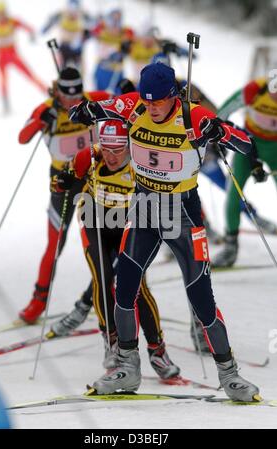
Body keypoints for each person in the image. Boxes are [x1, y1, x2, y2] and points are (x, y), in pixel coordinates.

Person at [69, 62, 260, 402]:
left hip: (183, 213)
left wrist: (219, 132)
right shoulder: (133, 105)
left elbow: (246, 144)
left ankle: (230, 375)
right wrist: (84, 111)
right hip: (143, 207)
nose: (152, 107)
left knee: (202, 298)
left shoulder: (194, 115)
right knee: (123, 287)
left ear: (173, 96)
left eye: (159, 101)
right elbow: (96, 108)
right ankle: (127, 366)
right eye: (148, 100)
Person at [50, 120, 180, 378]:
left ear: (129, 147)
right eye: (106, 149)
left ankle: (157, 350)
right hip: (94, 222)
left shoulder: (141, 163)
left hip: (129, 226)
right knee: (102, 278)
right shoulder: (90, 156)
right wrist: (63, 182)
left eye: (117, 150)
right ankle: (112, 343)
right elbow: (60, 182)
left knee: (136, 287)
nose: (110, 156)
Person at [18, 66, 110, 324]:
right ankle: (38, 302)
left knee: (104, 241)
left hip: (94, 179)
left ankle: (107, 295)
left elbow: (123, 101)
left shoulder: (92, 99)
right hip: (63, 182)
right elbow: (22, 137)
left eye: (76, 96)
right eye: (67, 97)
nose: (73, 102)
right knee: (55, 243)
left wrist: (127, 90)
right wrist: (40, 121)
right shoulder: (48, 108)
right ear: (57, 91)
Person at [212, 76, 277, 267]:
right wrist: (216, 132)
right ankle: (230, 247)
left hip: (275, 148)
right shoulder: (254, 90)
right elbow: (224, 110)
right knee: (234, 195)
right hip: (249, 145)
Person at [0, 1, 47, 113]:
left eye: (2, 12)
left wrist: (32, 35)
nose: (1, 15)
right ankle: (5, 104)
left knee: (29, 74)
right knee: (3, 79)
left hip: (13, 54)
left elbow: (28, 27)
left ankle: (47, 91)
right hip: (0, 55)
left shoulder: (12, 21)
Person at [41, 0, 89, 71]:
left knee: (79, 70)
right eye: (71, 8)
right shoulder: (61, 14)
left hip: (77, 48)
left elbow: (93, 25)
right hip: (64, 46)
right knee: (62, 70)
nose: (73, 12)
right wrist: (43, 30)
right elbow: (50, 23)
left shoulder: (83, 15)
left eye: (75, 9)